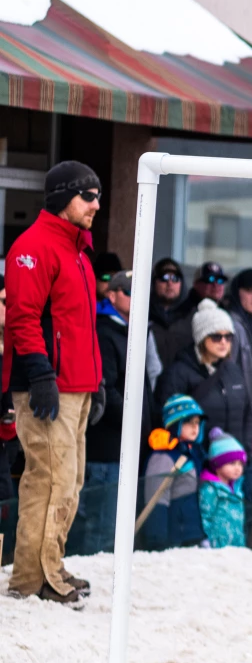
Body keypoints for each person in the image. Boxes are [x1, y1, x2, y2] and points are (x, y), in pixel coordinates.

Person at [5, 161, 104, 606]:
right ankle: (34, 579)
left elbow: (81, 327)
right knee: (47, 481)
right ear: (63, 198)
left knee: (69, 482)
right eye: (88, 195)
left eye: (98, 195)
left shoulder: (77, 250)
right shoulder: (34, 246)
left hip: (76, 384)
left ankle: (48, 567)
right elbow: (23, 319)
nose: (96, 204)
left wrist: (95, 381)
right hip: (48, 386)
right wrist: (41, 374)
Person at [70, 271, 149, 557]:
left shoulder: (134, 332)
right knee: (100, 527)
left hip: (125, 445)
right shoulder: (105, 332)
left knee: (112, 526)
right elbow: (107, 390)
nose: (135, 297)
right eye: (128, 291)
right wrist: (134, 421)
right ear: (112, 294)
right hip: (106, 448)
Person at [156, 300, 252, 457]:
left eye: (228, 336)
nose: (224, 342)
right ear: (202, 338)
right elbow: (168, 420)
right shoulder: (178, 373)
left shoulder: (233, 370)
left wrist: (246, 453)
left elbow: (247, 415)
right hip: (196, 463)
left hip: (233, 463)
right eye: (216, 336)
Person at [142, 393, 205, 551]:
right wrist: (157, 541)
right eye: (189, 422)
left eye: (197, 422)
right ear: (175, 423)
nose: (195, 427)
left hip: (192, 533)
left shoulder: (194, 452)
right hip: (173, 538)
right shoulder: (163, 456)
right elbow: (156, 498)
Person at [199, 428, 249, 548]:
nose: (237, 468)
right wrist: (208, 540)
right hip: (218, 544)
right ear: (217, 464)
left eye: (240, 464)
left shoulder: (237, 487)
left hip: (236, 543)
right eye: (232, 463)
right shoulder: (210, 488)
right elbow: (206, 515)